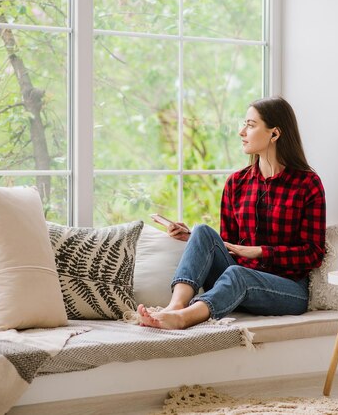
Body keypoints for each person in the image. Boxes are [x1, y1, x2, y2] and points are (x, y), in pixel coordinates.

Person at [138, 96, 326, 329]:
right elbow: (230, 244)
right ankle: (175, 306)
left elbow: (313, 254)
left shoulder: (307, 183)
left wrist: (260, 252)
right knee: (203, 232)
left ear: (275, 134)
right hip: (237, 280)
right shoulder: (236, 183)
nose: (241, 132)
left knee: (238, 274)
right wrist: (191, 238)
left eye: (250, 125)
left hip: (288, 289)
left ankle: (184, 318)